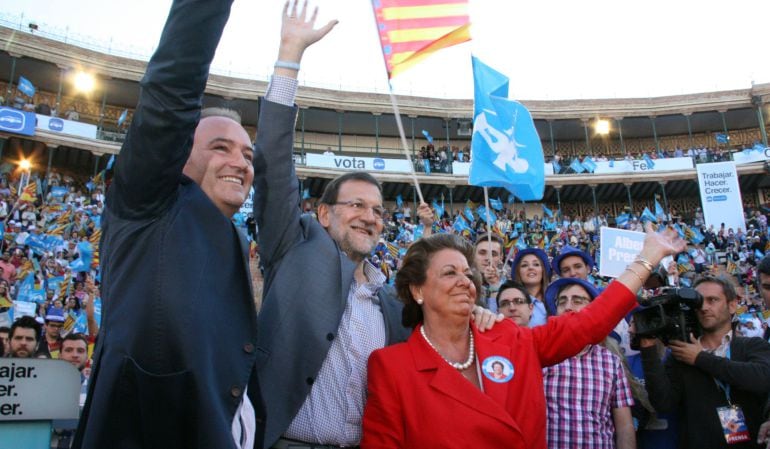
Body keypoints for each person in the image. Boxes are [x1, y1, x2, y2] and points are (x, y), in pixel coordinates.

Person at [73, 1, 331, 447]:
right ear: (179, 155)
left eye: (247, 156)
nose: (240, 163)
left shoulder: (228, 235)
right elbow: (171, 90)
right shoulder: (149, 204)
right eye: (220, 148)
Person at [252, 7, 495, 448]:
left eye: (379, 210)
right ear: (323, 215)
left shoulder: (391, 300)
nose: (371, 216)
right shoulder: (292, 251)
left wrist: (475, 311)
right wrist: (289, 56)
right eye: (357, 205)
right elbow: (271, 165)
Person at [362, 226, 685, 448]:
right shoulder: (392, 366)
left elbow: (589, 322)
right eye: (450, 273)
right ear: (417, 289)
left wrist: (647, 258)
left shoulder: (511, 339)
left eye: (467, 273)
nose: (465, 281)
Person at [639, 274, 770, 449]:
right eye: (699, 302)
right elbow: (663, 403)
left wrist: (700, 358)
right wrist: (648, 350)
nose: (704, 307)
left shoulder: (752, 346)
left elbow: (762, 379)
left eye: (713, 300)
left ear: (732, 305)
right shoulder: (680, 354)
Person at [542, 277, 635, 449]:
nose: (568, 306)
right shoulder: (540, 356)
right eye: (562, 301)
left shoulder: (611, 362)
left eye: (578, 301)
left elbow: (625, 426)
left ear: (593, 310)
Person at [511, 247, 551, 326]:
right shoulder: (510, 302)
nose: (530, 268)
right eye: (524, 265)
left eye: (536, 264)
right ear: (518, 272)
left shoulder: (555, 299)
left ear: (543, 271)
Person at [474, 233, 505, 312]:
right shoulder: (463, 284)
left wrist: (494, 286)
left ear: (501, 257)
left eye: (493, 254)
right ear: (474, 255)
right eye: (482, 253)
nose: (488, 258)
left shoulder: (510, 288)